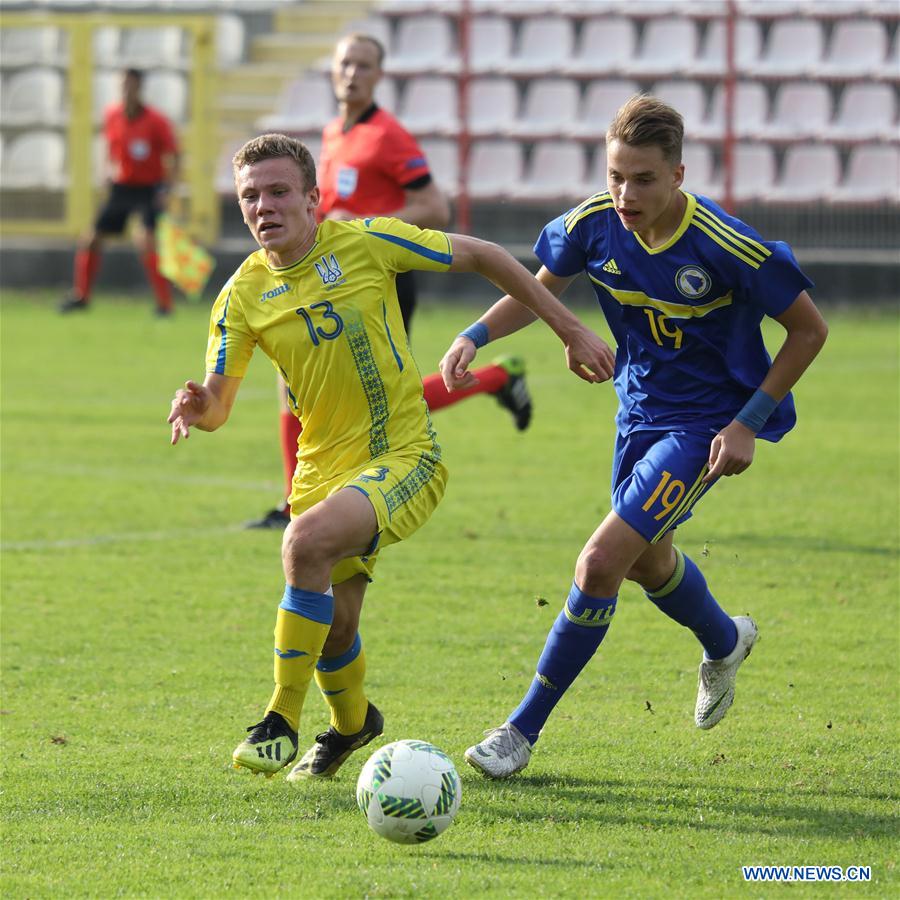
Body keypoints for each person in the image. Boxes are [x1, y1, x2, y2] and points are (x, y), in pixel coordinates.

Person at [166, 133, 614, 781]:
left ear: (314, 199)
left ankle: (278, 721)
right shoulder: (241, 295)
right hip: (321, 470)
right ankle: (353, 728)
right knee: (335, 630)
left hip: (404, 456)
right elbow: (219, 405)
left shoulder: (364, 241)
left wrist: (569, 328)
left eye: (279, 191)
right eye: (250, 196)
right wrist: (195, 405)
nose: (264, 206)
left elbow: (483, 254)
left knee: (303, 544)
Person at [441, 95, 828, 779]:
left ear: (678, 174)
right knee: (650, 562)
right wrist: (475, 335)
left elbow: (809, 329)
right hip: (636, 415)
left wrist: (748, 423)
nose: (625, 193)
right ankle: (724, 639)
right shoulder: (595, 224)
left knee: (600, 563)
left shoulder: (726, 243)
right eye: (616, 175)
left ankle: (519, 733)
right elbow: (540, 289)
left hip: (706, 426)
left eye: (643, 179)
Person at [247, 32, 532, 530]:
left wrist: (367, 230)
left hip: (376, 277)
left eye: (363, 65)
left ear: (380, 76)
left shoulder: (388, 136)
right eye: (344, 64)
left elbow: (433, 207)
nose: (352, 73)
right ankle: (296, 503)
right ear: (332, 72)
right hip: (325, 279)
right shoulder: (335, 132)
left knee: (380, 394)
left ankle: (497, 376)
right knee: (294, 382)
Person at [59, 68, 179, 316]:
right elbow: (111, 148)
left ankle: (164, 304)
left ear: (139, 87)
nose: (126, 89)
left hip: (149, 187)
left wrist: (167, 188)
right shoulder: (112, 114)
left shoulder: (157, 120)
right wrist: (108, 172)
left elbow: (174, 155)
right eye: (123, 84)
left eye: (131, 84)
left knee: (147, 242)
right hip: (122, 186)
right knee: (91, 239)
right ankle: (81, 296)